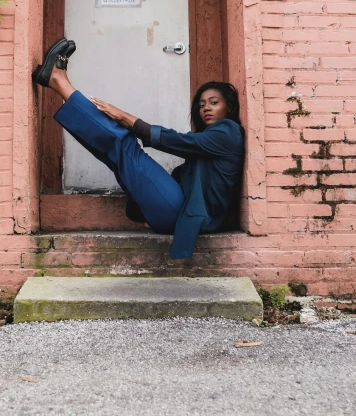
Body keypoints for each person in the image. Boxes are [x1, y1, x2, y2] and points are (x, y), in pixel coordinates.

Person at [33, 37, 245, 260]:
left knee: (124, 145)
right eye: (201, 105)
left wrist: (126, 117)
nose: (206, 109)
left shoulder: (229, 131)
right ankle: (56, 81)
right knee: (116, 155)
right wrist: (143, 209)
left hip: (181, 215)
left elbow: (180, 142)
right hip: (176, 210)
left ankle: (58, 81)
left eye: (214, 102)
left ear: (228, 107)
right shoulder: (210, 140)